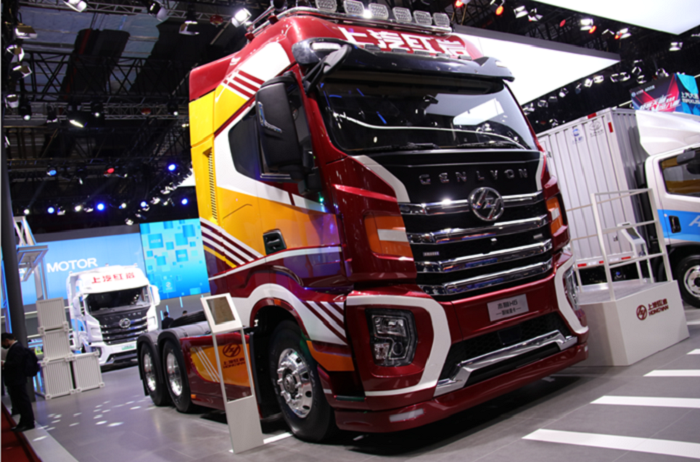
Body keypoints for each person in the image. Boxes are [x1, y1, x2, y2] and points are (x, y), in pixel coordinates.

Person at [1, 333, 35, 431]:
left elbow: (16, 363)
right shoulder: (15, 347)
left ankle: (28, 422)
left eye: (2, 343)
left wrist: (4, 364)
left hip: (17, 379)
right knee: (19, 402)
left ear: (7, 340)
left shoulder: (17, 348)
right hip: (15, 380)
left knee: (23, 402)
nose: (3, 345)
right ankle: (23, 422)